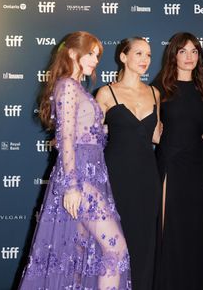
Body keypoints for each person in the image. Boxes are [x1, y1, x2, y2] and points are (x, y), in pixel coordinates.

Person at [18, 31, 131, 290]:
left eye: (97, 55)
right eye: (89, 53)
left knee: (81, 258)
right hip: (79, 179)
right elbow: (66, 137)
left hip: (91, 174)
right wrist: (71, 186)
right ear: (71, 52)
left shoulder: (78, 88)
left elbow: (82, 133)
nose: (94, 59)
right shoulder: (68, 86)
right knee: (115, 248)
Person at [96, 37, 162, 290]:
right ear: (123, 57)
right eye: (138, 54)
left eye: (148, 55)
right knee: (115, 242)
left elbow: (157, 135)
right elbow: (92, 134)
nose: (145, 60)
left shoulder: (155, 93)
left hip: (148, 176)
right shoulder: (106, 93)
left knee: (145, 242)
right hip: (116, 176)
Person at [152, 32, 203, 289]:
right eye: (183, 51)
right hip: (170, 164)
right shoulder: (159, 89)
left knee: (196, 229)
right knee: (170, 229)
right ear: (173, 54)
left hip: (199, 167)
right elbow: (151, 131)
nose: (189, 57)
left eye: (194, 51)